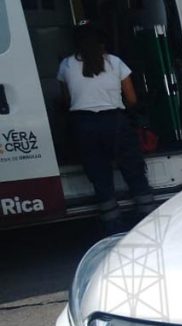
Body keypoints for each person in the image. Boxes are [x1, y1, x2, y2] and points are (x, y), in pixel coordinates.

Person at [58, 22, 155, 233]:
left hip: (84, 125)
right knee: (133, 170)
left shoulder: (66, 65)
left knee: (99, 175)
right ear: (101, 42)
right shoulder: (115, 62)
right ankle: (148, 220)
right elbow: (132, 98)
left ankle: (113, 226)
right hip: (115, 122)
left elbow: (66, 100)